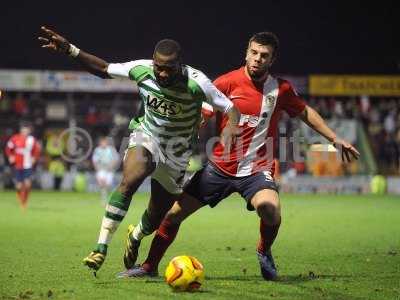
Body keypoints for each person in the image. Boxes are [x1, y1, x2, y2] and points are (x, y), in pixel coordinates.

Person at [118, 32, 360, 280]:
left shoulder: (281, 89)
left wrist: (334, 138)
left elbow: (305, 112)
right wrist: (196, 123)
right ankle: (149, 266)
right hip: (219, 169)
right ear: (246, 53)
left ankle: (263, 251)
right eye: (253, 53)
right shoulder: (225, 82)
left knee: (270, 209)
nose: (257, 59)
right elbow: (204, 109)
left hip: (256, 171)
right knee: (172, 214)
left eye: (264, 55)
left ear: (272, 59)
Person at [38, 26, 240, 272]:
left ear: (180, 65)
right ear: (153, 62)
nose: (162, 73)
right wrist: (70, 50)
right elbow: (104, 69)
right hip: (146, 135)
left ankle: (135, 235)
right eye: (159, 67)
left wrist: (230, 128)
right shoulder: (142, 69)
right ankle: (100, 247)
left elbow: (231, 108)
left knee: (157, 215)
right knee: (131, 177)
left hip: (177, 151)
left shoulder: (197, 83)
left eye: (169, 68)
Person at [5, 122, 41, 210]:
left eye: (26, 130)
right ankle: (21, 198)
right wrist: (10, 156)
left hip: (27, 165)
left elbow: (37, 150)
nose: (25, 131)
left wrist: (34, 158)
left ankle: (24, 202)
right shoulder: (14, 138)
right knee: (19, 186)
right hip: (18, 166)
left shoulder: (32, 140)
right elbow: (8, 148)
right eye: (23, 130)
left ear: (29, 131)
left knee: (28, 184)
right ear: (21, 130)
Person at [92, 137, 119, 205]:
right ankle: (103, 200)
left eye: (105, 142)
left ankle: (109, 198)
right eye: (102, 142)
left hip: (109, 170)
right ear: (100, 143)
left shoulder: (111, 150)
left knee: (108, 185)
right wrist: (97, 169)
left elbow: (115, 159)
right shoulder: (97, 150)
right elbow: (95, 160)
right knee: (102, 183)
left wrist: (112, 166)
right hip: (101, 169)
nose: (103, 144)